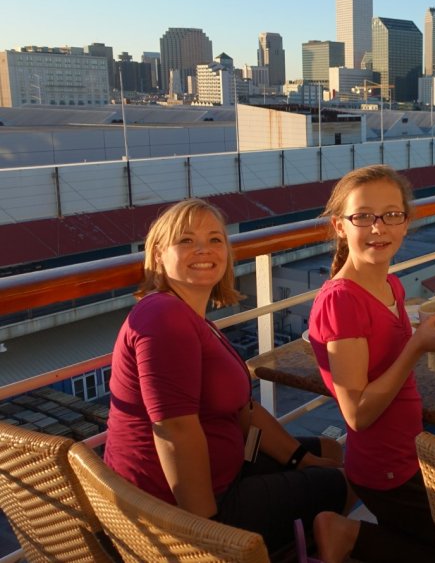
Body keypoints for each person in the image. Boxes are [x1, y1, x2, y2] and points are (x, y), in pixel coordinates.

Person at [104, 199, 360, 555]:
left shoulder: (195, 320)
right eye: (186, 241)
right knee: (345, 480)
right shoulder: (163, 318)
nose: (204, 250)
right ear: (159, 254)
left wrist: (300, 459)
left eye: (215, 239)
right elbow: (174, 430)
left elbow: (244, 409)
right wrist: (209, 534)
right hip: (181, 508)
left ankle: (298, 543)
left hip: (227, 466)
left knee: (329, 450)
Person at [308, 165, 435, 563]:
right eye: (363, 217)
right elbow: (356, 413)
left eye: (392, 215)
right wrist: (416, 347)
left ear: (406, 223)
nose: (379, 228)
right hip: (385, 467)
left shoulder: (390, 283)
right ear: (340, 225)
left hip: (408, 452)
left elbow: (387, 358)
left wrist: (422, 336)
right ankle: (344, 533)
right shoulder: (342, 301)